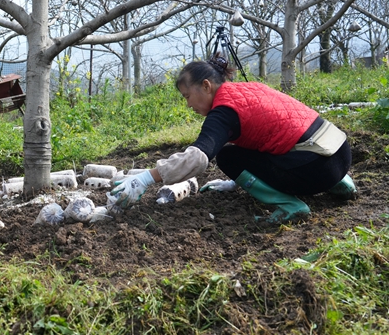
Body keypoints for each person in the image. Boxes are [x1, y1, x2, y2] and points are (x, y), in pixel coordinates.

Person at [110, 55, 356, 224]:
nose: (188, 105)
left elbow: (197, 158)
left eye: (187, 96)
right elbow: (272, 136)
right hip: (340, 154)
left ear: (206, 86)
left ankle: (291, 206)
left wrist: (145, 178)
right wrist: (237, 183)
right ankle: (341, 185)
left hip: (315, 169)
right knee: (279, 140)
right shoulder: (251, 89)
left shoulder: (224, 112)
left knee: (227, 156)